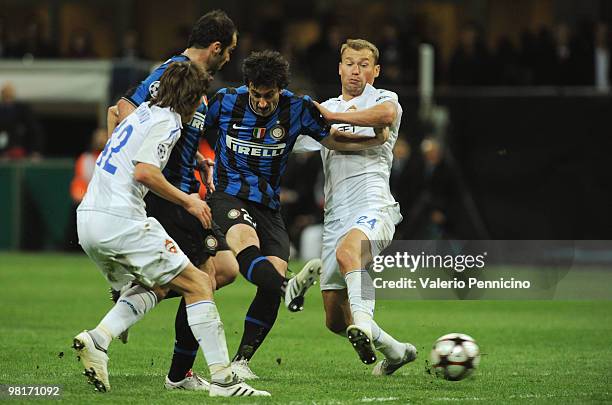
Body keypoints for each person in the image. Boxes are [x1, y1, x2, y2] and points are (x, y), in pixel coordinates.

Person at [72, 61, 269, 397]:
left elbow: (112, 114)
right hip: (122, 220)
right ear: (192, 99)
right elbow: (145, 173)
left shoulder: (144, 112)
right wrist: (189, 201)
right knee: (199, 283)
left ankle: (99, 338)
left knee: (160, 285)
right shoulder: (169, 121)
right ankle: (223, 381)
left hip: (88, 219)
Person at [204, 50, 390, 378]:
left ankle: (241, 362)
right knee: (245, 243)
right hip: (228, 195)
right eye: (256, 95)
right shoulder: (225, 101)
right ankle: (289, 284)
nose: (262, 103)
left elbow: (331, 141)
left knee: (270, 277)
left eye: (269, 96)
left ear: (281, 89)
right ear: (248, 86)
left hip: (268, 205)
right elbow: (197, 133)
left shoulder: (297, 108)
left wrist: (373, 141)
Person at [108, 10, 239, 390]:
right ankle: (180, 373)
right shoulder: (173, 70)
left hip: (182, 187)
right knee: (204, 279)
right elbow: (123, 110)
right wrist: (147, 160)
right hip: (171, 195)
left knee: (223, 271)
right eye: (228, 50)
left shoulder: (192, 78)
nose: (229, 57)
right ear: (216, 48)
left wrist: (191, 153)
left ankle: (127, 302)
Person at [294, 39, 417, 375]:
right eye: (350, 63)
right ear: (339, 67)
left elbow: (387, 116)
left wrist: (332, 116)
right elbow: (292, 138)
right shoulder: (326, 107)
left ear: (375, 71)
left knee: (351, 254)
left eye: (364, 64)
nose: (356, 70)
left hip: (374, 206)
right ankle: (396, 351)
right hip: (335, 217)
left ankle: (364, 323)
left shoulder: (382, 99)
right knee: (335, 319)